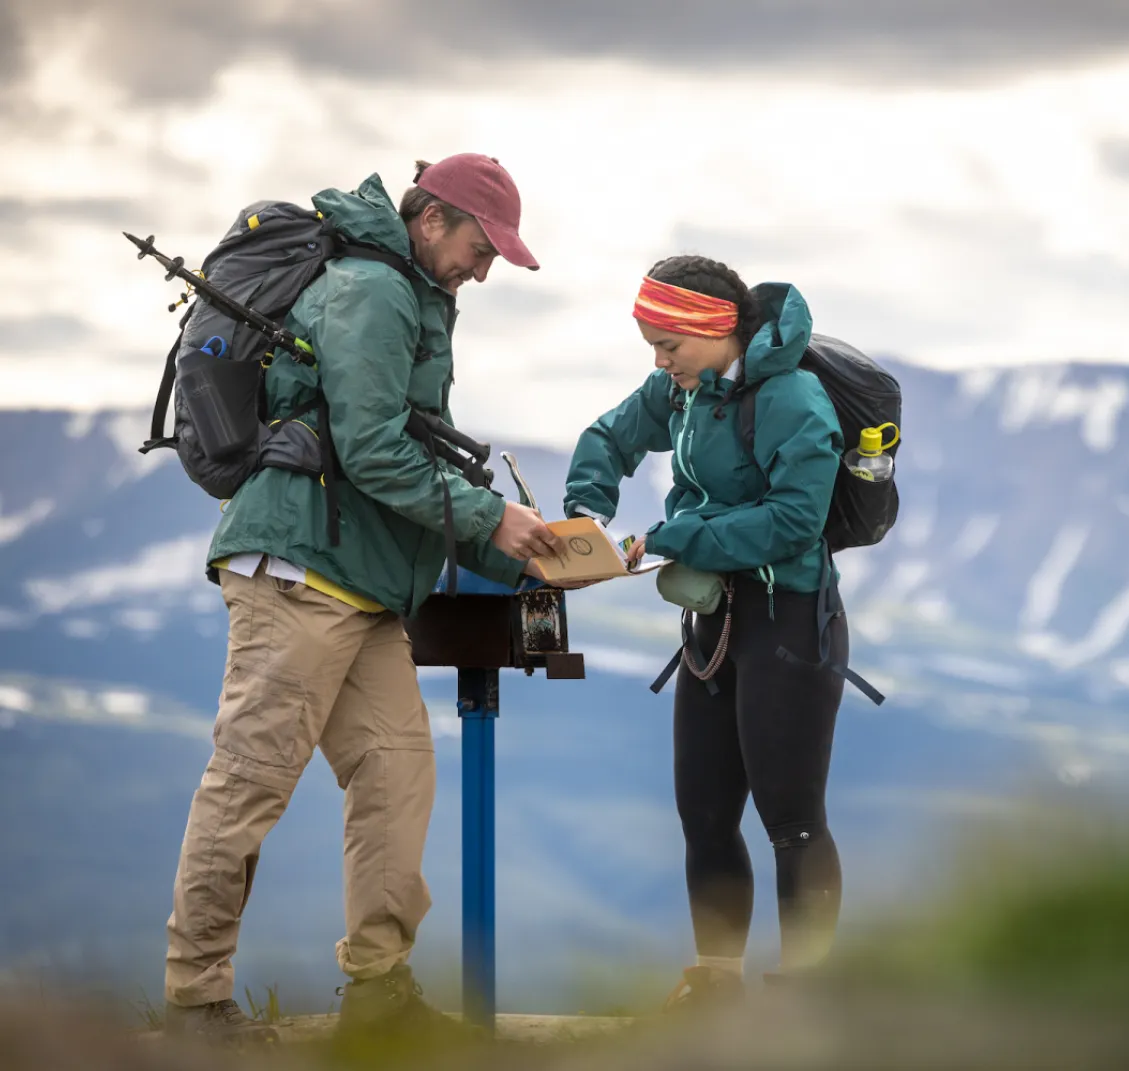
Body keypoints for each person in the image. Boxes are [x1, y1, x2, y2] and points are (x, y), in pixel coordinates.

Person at [162, 154, 565, 1042]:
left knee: (395, 775)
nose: (485, 267)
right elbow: (378, 452)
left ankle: (380, 992)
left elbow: (394, 469)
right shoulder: (372, 292)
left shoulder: (413, 298)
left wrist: (533, 557)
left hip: (365, 586)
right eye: (480, 245)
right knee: (251, 780)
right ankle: (195, 1001)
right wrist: (496, 519)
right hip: (301, 571)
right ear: (431, 221)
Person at [563, 256, 849, 1007]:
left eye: (669, 346)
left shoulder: (793, 399)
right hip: (712, 618)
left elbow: (796, 521)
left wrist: (679, 535)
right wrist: (586, 512)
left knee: (791, 817)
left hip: (788, 617)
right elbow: (609, 436)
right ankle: (718, 986)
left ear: (715, 330)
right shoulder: (680, 390)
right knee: (705, 813)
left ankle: (806, 995)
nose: (659, 364)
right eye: (652, 346)